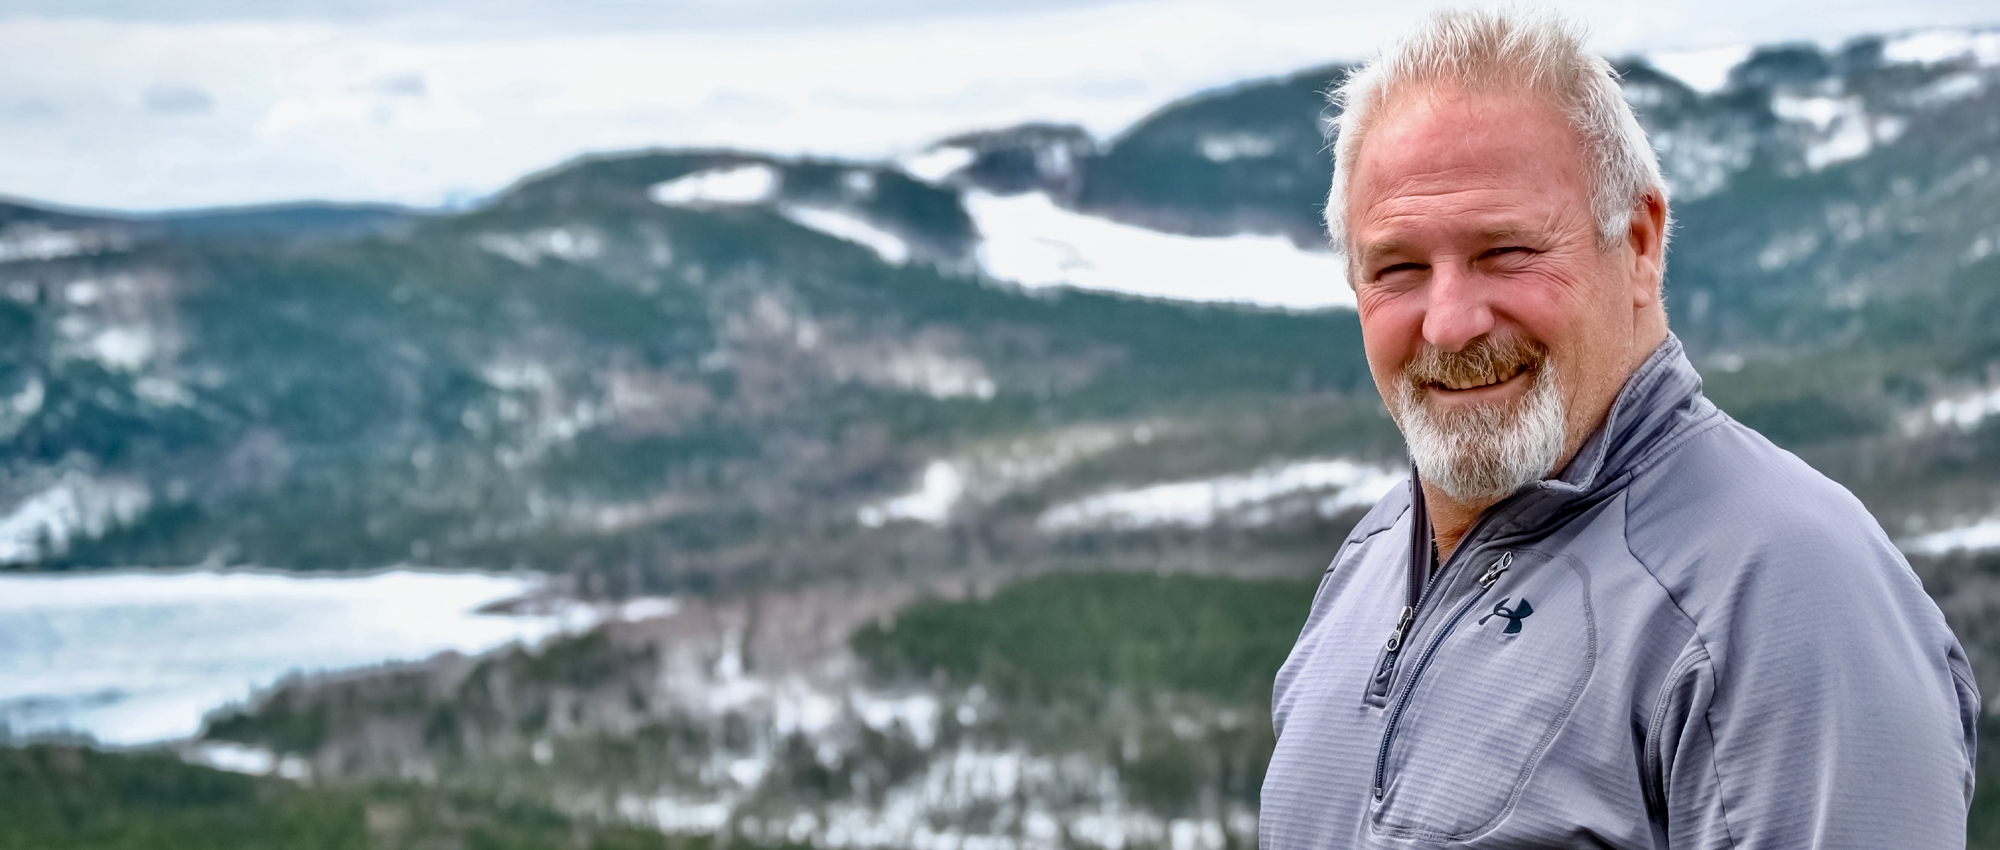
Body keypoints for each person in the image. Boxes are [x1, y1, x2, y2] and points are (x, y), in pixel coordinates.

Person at [1259, 8, 1979, 848]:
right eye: (1400, 268)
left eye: (1505, 252)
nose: (1449, 322)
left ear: (1638, 243)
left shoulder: (1787, 598)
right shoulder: (1372, 560)